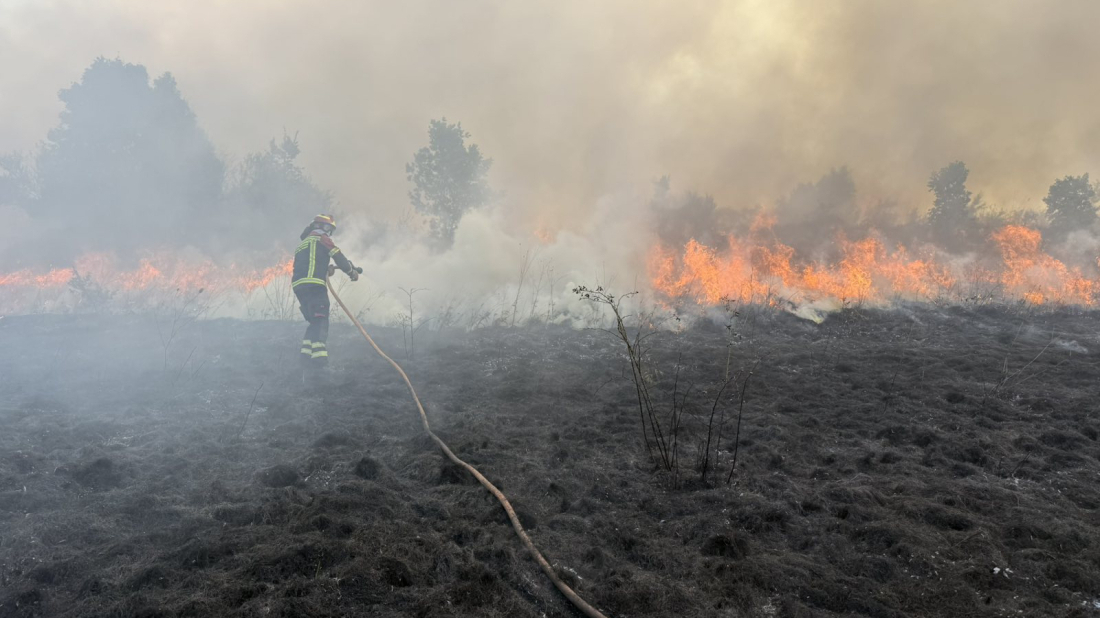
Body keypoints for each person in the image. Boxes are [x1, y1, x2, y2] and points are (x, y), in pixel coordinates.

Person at [292, 214, 359, 366]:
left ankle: (305, 356)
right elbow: (338, 256)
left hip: (299, 287)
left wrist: (325, 269)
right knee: (321, 320)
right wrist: (351, 272)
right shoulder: (322, 239)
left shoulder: (303, 244)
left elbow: (310, 263)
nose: (328, 233)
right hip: (315, 286)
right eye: (328, 229)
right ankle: (320, 360)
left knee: (314, 321)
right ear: (324, 227)